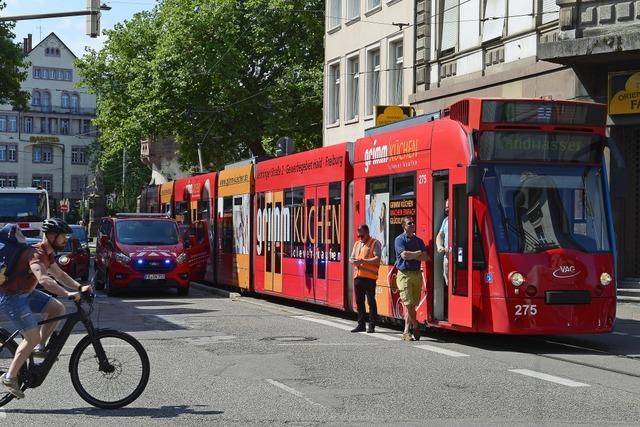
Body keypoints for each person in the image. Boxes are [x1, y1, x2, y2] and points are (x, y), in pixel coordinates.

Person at [0, 218, 91, 399]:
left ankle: (39, 347)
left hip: (26, 293)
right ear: (51, 236)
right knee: (31, 336)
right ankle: (10, 377)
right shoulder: (35, 254)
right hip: (11, 298)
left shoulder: (47, 254)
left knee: (57, 308)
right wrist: (67, 294)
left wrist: (78, 287)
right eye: (62, 236)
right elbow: (43, 279)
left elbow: (59, 274)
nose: (66, 239)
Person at [394, 217, 429, 341]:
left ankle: (406, 332)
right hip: (404, 275)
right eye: (410, 223)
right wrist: (418, 253)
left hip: (416, 274)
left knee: (412, 305)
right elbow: (404, 255)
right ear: (404, 226)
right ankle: (415, 325)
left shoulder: (418, 240)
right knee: (408, 303)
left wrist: (413, 254)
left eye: (413, 222)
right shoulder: (399, 240)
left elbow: (425, 257)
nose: (413, 224)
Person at [349, 224, 381, 333]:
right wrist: (353, 261)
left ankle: (371, 325)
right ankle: (361, 324)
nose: (360, 238)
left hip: (370, 278)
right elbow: (351, 258)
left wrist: (363, 261)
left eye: (362, 236)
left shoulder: (375, 243)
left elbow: (377, 259)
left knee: (371, 302)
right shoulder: (357, 244)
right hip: (358, 277)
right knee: (359, 302)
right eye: (359, 236)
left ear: (367, 233)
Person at [436, 199, 449, 287]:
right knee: (448, 281)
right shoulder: (445, 220)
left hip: (459, 258)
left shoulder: (462, 217)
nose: (446, 209)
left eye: (448, 207)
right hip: (447, 256)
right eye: (446, 207)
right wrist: (439, 246)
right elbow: (440, 235)